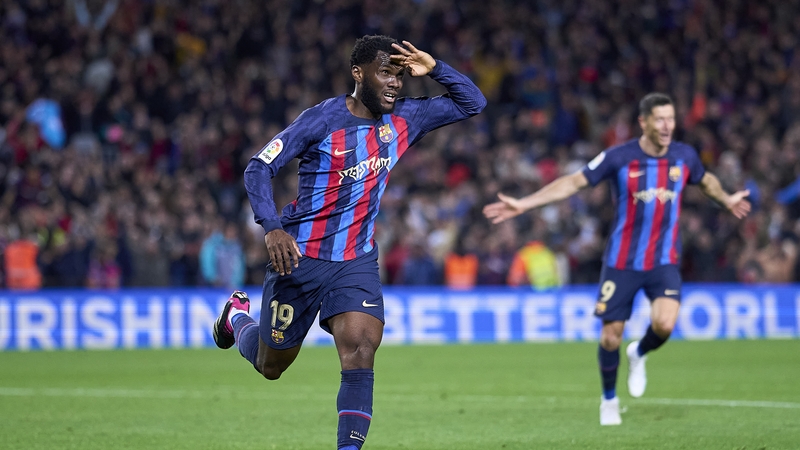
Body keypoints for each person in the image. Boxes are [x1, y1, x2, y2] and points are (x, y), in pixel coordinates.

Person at [212, 35, 486, 449]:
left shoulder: (407, 117)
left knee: (360, 350)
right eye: (385, 73)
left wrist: (436, 69)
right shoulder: (320, 121)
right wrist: (271, 227)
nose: (395, 83)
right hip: (301, 258)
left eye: (399, 74)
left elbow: (473, 102)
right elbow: (257, 168)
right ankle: (236, 316)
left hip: (356, 259)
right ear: (358, 74)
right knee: (272, 365)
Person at [483, 93, 751, 426]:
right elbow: (574, 182)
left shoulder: (685, 156)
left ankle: (638, 352)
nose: (667, 126)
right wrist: (525, 203)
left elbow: (705, 179)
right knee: (611, 335)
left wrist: (726, 199)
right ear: (644, 122)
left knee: (665, 325)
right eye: (660, 119)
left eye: (671, 119)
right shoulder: (620, 157)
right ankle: (609, 400)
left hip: (663, 260)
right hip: (622, 262)